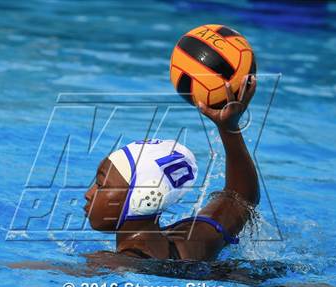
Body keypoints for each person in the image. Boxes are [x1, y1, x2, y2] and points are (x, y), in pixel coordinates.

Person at [84, 75, 259, 261]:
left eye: (101, 185)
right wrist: (229, 128)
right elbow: (240, 198)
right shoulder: (193, 239)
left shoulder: (117, 263)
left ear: (145, 198)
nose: (88, 193)